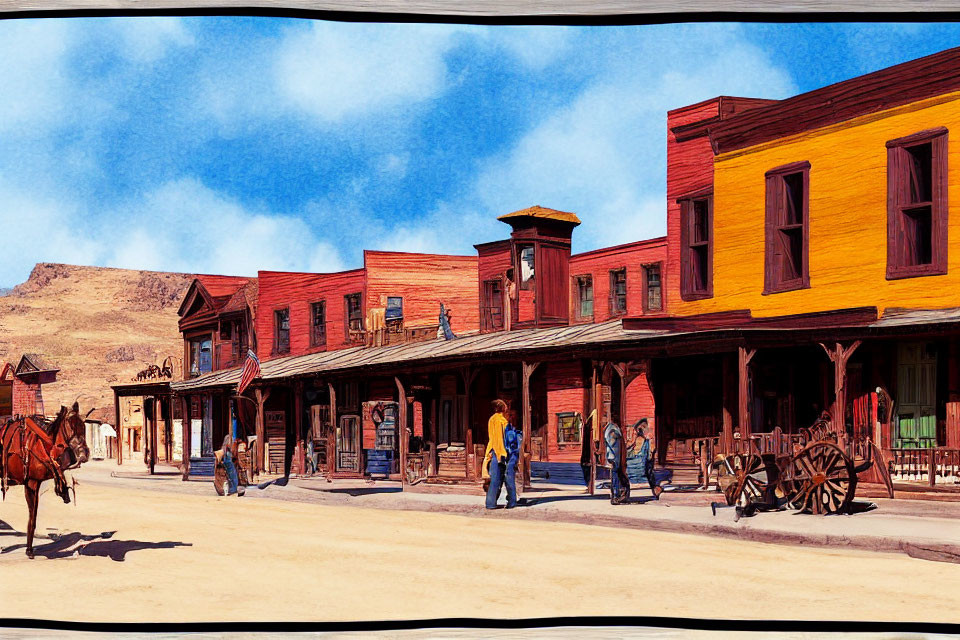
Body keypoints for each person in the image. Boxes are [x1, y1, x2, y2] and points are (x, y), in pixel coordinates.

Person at [626, 419, 663, 500]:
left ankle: (655, 488)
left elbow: (632, 452)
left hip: (640, 465)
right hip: (641, 465)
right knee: (649, 469)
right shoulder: (644, 442)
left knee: (649, 468)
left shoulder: (640, 441)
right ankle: (655, 488)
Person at [484, 399, 509, 509]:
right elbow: (499, 439)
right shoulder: (500, 420)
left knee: (494, 479)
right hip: (498, 452)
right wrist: (501, 455)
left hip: (492, 450)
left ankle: (491, 503)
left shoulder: (492, 419)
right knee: (496, 480)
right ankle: (491, 503)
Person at [603, 420, 629, 504]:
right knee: (615, 477)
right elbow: (611, 443)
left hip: (616, 458)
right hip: (614, 457)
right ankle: (615, 497)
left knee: (618, 476)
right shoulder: (612, 429)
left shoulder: (612, 428)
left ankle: (619, 496)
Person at [503, 409, 522, 509]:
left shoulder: (511, 429)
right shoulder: (512, 429)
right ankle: (512, 498)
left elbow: (510, 443)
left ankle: (512, 500)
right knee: (511, 476)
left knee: (509, 476)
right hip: (513, 453)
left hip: (511, 454)